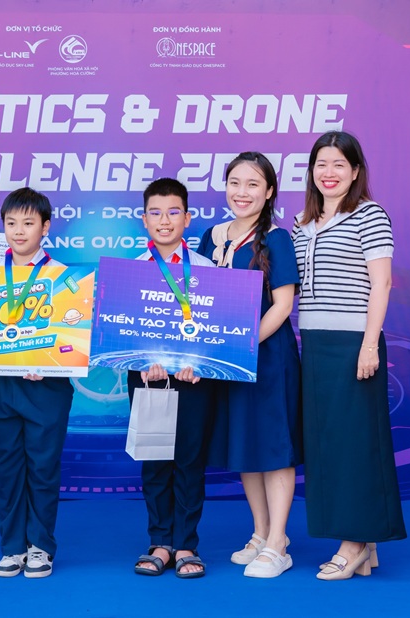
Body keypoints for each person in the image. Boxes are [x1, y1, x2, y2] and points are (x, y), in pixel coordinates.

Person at [292, 131, 406, 581]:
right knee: (327, 445)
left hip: (354, 343)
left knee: (355, 445)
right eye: (322, 163)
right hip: (314, 344)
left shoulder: (370, 215)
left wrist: (369, 344)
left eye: (339, 164)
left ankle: (353, 544)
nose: (330, 172)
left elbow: (382, 283)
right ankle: (364, 541)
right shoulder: (302, 223)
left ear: (355, 171)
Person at [198, 153, 302, 578]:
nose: (242, 193)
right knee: (246, 446)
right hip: (229, 363)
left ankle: (279, 543)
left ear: (270, 191)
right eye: (235, 183)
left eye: (253, 184)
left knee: (274, 448)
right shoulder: (211, 237)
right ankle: (260, 533)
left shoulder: (276, 239)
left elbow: (283, 306)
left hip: (267, 358)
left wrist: (241, 344)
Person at [0, 187, 74, 579]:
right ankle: (12, 547)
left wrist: (52, 364)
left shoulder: (63, 277)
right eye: (11, 223)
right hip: (0, 387)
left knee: (42, 468)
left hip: (46, 390)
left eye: (28, 223)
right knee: (5, 469)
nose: (19, 231)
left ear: (46, 227)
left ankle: (40, 546)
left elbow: (74, 337)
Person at [130, 178, 215, 579]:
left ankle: (186, 544)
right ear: (144, 219)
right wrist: (140, 361)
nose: (164, 220)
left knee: (189, 461)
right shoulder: (131, 271)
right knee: (155, 460)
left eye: (173, 212)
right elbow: (120, 331)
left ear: (188, 218)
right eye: (156, 213)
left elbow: (217, 333)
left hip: (193, 379)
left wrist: (200, 363)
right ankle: (160, 542)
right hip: (147, 377)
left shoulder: (207, 270)